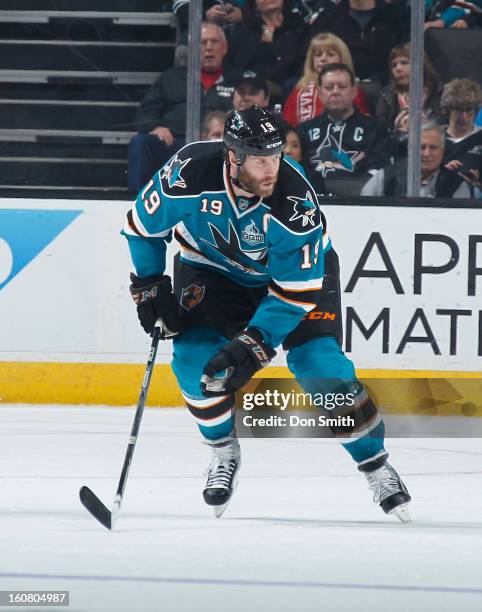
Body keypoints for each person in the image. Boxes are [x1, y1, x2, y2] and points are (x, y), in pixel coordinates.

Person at [122, 106, 411, 522]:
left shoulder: (295, 202)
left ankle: (376, 465)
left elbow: (295, 292)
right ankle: (223, 450)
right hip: (212, 270)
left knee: (321, 369)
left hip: (293, 283)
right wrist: (149, 285)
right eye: (260, 159)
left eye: (275, 156)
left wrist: (256, 342)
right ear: (233, 156)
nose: (271, 168)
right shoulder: (187, 171)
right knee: (191, 360)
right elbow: (141, 228)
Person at [128, 23, 241, 191]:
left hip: (220, 144)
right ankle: (137, 202)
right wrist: (155, 126)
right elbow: (146, 112)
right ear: (193, 49)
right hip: (176, 142)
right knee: (141, 142)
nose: (209, 48)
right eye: (203, 43)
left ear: (224, 48)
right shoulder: (170, 78)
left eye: (214, 42)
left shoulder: (239, 79)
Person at [298, 63, 390, 192]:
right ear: (319, 93)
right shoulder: (304, 131)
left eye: (342, 87)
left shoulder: (375, 130)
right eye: (329, 87)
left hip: (360, 204)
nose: (335, 92)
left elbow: (378, 171)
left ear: (354, 91)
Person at [361, 120, 473, 197]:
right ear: (410, 149)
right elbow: (362, 211)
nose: (427, 153)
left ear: (443, 151)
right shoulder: (385, 177)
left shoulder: (456, 184)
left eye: (433, 147)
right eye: (421, 147)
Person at [282, 32, 371, 128]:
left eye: (330, 54)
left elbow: (364, 126)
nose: (323, 59)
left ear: (342, 58)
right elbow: (288, 129)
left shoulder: (354, 91)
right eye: (318, 55)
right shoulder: (300, 90)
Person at [224, 0, 307, 101]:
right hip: (248, 93)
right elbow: (231, 66)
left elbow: (304, 66)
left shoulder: (299, 27)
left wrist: (282, 89)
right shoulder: (242, 30)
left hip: (289, 95)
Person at [308, 0, 407, 82]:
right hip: (337, 85)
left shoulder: (396, 18)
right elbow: (309, 59)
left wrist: (376, 80)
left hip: (387, 86)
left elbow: (407, 58)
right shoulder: (327, 19)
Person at [376, 42, 442, 156]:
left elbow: (447, 128)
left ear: (421, 64)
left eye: (404, 63)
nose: (398, 68)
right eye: (394, 65)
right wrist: (397, 130)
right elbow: (379, 136)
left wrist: (427, 125)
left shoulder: (440, 93)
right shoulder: (387, 98)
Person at [441, 78, 481, 194]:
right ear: (447, 109)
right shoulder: (433, 140)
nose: (464, 117)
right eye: (458, 110)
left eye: (469, 110)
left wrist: (477, 184)